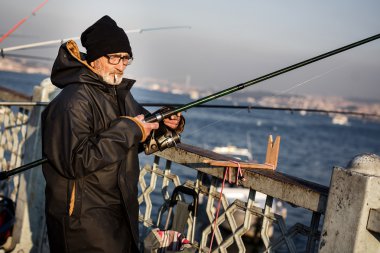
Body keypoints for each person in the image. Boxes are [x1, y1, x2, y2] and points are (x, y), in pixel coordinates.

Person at [41, 15, 184, 253]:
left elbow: (142, 130)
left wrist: (167, 123)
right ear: (96, 58)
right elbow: (75, 161)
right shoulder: (73, 101)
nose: (121, 65)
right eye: (115, 57)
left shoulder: (119, 94)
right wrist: (129, 129)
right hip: (83, 220)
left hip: (118, 211)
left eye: (126, 58)